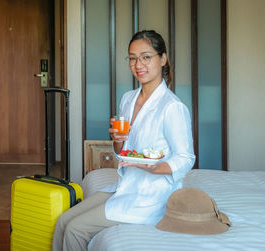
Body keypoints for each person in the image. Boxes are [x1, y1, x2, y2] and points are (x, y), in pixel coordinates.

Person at [52, 30, 195, 251]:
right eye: (132, 58)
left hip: (150, 195)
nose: (139, 64)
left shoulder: (172, 107)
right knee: (62, 221)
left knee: (75, 229)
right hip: (125, 184)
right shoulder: (128, 99)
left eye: (146, 57)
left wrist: (156, 168)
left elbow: (186, 158)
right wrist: (117, 140)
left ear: (163, 59)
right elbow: (123, 152)